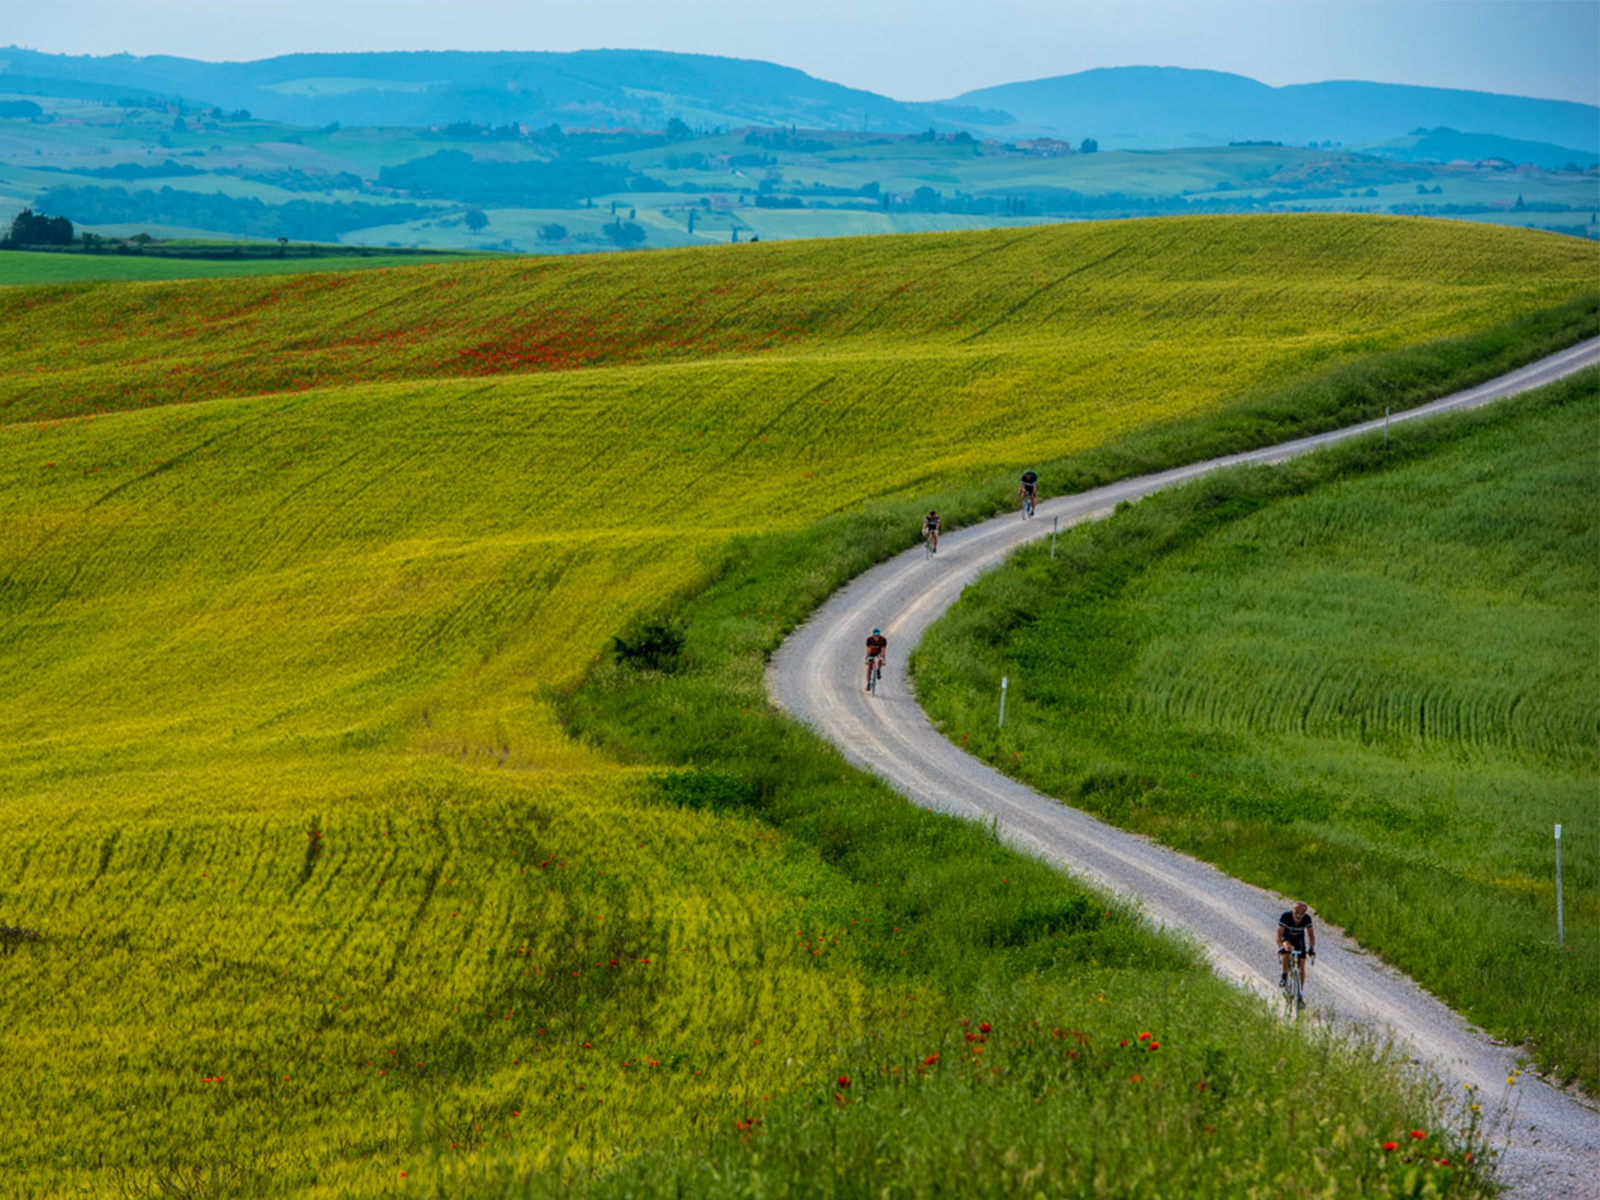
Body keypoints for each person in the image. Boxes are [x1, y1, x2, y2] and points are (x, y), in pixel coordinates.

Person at [1277, 901, 1316, 993]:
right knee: (1287, 951)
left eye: (1301, 913)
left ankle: (1300, 993)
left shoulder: (1307, 919)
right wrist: (1281, 946)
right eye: (1296, 912)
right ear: (1292, 910)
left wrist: (1311, 948)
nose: (1298, 915)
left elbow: (1311, 935)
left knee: (1302, 967)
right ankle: (1284, 975)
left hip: (1299, 940)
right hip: (1287, 938)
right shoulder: (1285, 917)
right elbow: (1279, 934)